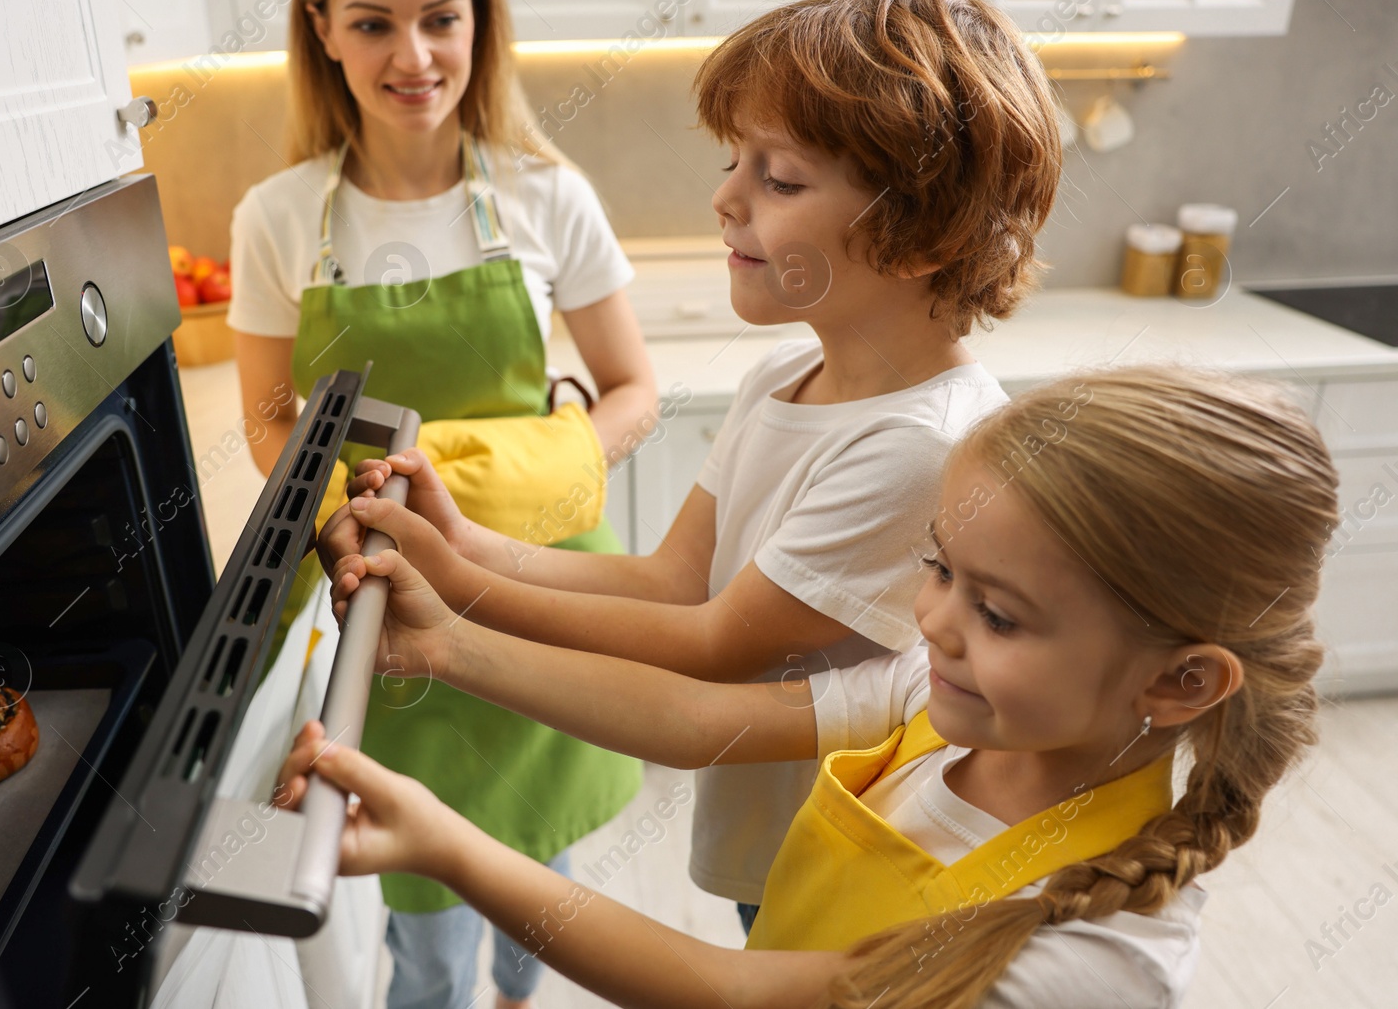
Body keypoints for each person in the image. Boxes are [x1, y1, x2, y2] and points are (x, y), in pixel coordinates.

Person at [318, 0, 1056, 933]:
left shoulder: (919, 444)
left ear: (921, 232)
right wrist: (466, 541)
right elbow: (673, 580)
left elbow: (714, 647)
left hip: (857, 853)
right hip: (774, 828)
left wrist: (458, 588)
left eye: (779, 179)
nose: (725, 198)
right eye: (734, 162)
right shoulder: (786, 375)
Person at [286, 366, 1340, 1008]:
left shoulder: (1092, 960)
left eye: (999, 612)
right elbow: (694, 719)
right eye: (939, 568)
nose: (933, 620)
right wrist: (447, 645)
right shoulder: (942, 704)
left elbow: (729, 989)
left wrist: (448, 843)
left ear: (1183, 679)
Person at [225, 0, 656, 1005]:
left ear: (480, 19)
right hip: (372, 605)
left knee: (537, 880)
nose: (412, 54)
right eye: (372, 22)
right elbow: (271, 421)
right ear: (321, 27)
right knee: (418, 924)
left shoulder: (545, 194)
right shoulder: (278, 217)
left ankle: (519, 990)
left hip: (535, 594)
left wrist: (522, 470)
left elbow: (633, 388)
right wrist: (342, 515)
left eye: (440, 19)